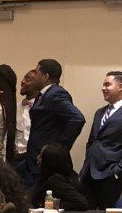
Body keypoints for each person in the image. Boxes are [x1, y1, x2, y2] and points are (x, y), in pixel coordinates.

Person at [80, 71, 122, 209]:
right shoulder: (99, 112)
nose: (103, 88)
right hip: (89, 174)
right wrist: (86, 166)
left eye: (107, 84)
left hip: (110, 176)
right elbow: (92, 142)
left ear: (120, 86)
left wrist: (117, 172)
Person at [21, 58, 85, 186]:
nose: (34, 77)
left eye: (37, 73)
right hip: (36, 159)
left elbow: (77, 118)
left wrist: (59, 148)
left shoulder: (55, 94)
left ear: (45, 77)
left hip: (46, 161)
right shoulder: (44, 95)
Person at [33, 144, 90, 211]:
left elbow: (81, 203)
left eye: (41, 156)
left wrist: (52, 206)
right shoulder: (70, 175)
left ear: (48, 162)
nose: (37, 157)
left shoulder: (55, 181)